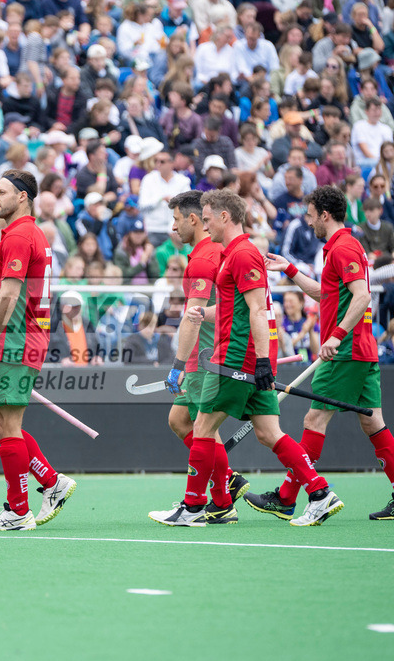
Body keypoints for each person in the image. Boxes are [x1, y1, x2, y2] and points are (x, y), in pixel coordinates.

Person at [151, 190, 344, 527]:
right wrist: (202, 314)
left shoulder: (241, 254)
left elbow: (257, 310)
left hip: (238, 356)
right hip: (249, 357)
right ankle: (319, 491)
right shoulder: (233, 254)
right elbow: (235, 308)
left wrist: (262, 362)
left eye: (208, 219)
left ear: (225, 216)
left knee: (202, 427)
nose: (205, 226)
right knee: (269, 433)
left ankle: (193, 507)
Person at [252, 186, 394, 521]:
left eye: (311, 215)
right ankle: (287, 497)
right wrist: (290, 269)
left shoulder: (343, 248)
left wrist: (337, 335)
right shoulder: (340, 248)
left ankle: (290, 497)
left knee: (313, 420)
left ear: (325, 215)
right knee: (372, 421)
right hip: (360, 350)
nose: (308, 221)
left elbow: (362, 296)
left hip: (345, 351)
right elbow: (325, 293)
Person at [0, 169, 77, 532]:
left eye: (2, 192)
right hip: (20, 338)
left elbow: (9, 294)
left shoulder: (19, 235)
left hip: (16, 339)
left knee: (10, 424)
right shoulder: (30, 233)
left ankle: (17, 510)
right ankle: (51, 481)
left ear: (22, 197)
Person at [161, 190, 249, 523]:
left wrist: (178, 365)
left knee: (203, 428)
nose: (174, 227)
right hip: (208, 355)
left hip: (204, 357)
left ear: (194, 219)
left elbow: (193, 315)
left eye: (176, 220)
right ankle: (225, 483)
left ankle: (217, 498)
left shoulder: (203, 258)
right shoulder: (213, 251)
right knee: (180, 420)